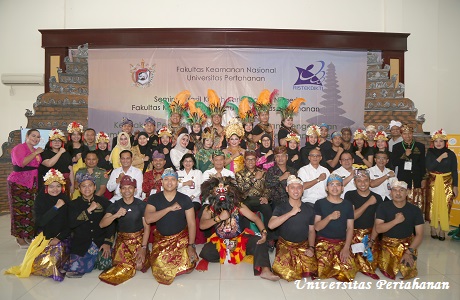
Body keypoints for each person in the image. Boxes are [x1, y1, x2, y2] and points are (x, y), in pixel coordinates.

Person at [197, 177, 280, 281]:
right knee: (206, 253)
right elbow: (202, 225)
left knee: (260, 242)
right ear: (212, 193)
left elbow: (255, 218)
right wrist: (218, 218)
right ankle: (233, 254)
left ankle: (266, 270)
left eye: (225, 191)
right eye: (218, 191)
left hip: (240, 239)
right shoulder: (209, 209)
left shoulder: (238, 206)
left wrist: (263, 232)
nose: (222, 194)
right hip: (220, 241)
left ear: (230, 192)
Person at [6, 169, 70, 281]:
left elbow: (70, 222)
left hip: (63, 236)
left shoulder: (65, 199)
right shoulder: (41, 200)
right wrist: (55, 208)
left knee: (53, 260)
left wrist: (59, 238)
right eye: (51, 186)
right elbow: (41, 222)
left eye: (58, 186)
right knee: (38, 262)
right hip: (45, 235)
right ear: (46, 188)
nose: (55, 189)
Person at [144, 168, 198, 285]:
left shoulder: (185, 199)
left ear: (177, 182)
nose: (169, 182)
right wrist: (168, 209)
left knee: (189, 266)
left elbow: (191, 224)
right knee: (160, 268)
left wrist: (191, 245)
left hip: (181, 239)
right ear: (162, 182)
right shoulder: (154, 198)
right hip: (162, 239)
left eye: (173, 179)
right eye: (166, 179)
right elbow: (148, 219)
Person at [99, 175, 150, 285]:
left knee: (139, 266)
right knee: (121, 267)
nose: (127, 190)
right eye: (124, 188)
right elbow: (102, 224)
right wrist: (115, 215)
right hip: (123, 241)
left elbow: (146, 227)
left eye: (130, 187)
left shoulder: (141, 205)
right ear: (120, 190)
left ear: (135, 190)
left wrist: (143, 248)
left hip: (138, 240)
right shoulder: (115, 205)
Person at [268, 175, 317, 281]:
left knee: (312, 269)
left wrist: (311, 248)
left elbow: (312, 230)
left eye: (299, 187)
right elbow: (271, 225)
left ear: (303, 189)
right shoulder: (280, 207)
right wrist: (290, 213)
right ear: (287, 189)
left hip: (302, 245)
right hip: (285, 245)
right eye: (292, 187)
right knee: (286, 273)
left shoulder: (309, 208)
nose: (296, 191)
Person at [65, 173, 114, 278]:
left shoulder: (104, 202)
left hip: (100, 241)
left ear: (95, 187)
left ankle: (96, 259)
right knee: (75, 269)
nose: (87, 188)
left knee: (107, 265)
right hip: (81, 242)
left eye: (90, 185)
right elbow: (71, 224)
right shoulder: (73, 204)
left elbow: (111, 224)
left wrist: (107, 242)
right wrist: (88, 210)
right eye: (84, 186)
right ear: (79, 188)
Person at [375, 180, 424, 280]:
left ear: (407, 193)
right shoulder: (383, 207)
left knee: (408, 272)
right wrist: (396, 221)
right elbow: (378, 229)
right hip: (388, 245)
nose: (398, 193)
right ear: (391, 193)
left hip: (407, 245)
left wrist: (409, 252)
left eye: (401, 190)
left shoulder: (415, 210)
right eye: (395, 190)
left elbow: (419, 234)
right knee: (388, 270)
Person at [314, 174, 357, 282]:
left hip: (341, 243)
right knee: (321, 272)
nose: (334, 187)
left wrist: (346, 247)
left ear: (342, 188)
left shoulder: (348, 205)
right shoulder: (320, 203)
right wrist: (329, 217)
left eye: (338, 185)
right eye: (331, 184)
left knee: (348, 274)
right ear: (326, 188)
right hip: (323, 243)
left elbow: (350, 227)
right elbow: (317, 227)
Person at [344, 169, 383, 279]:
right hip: (353, 234)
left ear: (370, 181)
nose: (363, 183)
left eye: (366, 180)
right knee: (350, 264)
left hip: (370, 234)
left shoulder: (377, 197)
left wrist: (371, 240)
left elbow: (377, 222)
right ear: (355, 182)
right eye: (359, 181)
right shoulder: (349, 195)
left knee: (370, 264)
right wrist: (368, 203)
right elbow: (353, 217)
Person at [7, 128, 43, 247]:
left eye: (38, 137)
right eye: (33, 136)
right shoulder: (19, 148)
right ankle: (19, 239)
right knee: (19, 211)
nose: (35, 138)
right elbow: (21, 163)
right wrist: (35, 153)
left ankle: (26, 236)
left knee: (29, 211)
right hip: (18, 183)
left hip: (31, 184)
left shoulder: (34, 149)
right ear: (27, 136)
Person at [235, 150, 274, 248]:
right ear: (244, 161)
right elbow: (241, 190)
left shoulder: (263, 173)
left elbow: (268, 188)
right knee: (242, 212)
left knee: (268, 209)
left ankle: (269, 238)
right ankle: (246, 237)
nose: (251, 162)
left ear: (256, 160)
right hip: (246, 200)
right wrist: (254, 179)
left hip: (259, 199)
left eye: (253, 159)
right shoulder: (239, 174)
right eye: (248, 160)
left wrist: (266, 197)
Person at [425, 129, 458, 240]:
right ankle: (433, 228)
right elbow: (429, 167)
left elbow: (454, 171)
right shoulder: (430, 153)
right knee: (432, 205)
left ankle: (442, 230)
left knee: (445, 206)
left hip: (447, 182)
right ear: (433, 143)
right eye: (436, 141)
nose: (438, 143)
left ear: (445, 142)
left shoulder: (451, 154)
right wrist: (440, 158)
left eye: (441, 141)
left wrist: (455, 186)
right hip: (433, 181)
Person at [391, 124, 426, 211]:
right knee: (403, 197)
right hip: (403, 177)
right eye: (405, 134)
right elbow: (394, 163)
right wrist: (405, 155)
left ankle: (416, 217)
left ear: (412, 134)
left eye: (409, 133)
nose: (407, 136)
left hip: (416, 176)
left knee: (417, 199)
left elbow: (423, 164)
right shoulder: (396, 147)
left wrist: (424, 178)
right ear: (402, 135)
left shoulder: (420, 146)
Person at [39, 129, 74, 197]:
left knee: (64, 202)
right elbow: (49, 164)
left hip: (65, 182)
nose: (57, 142)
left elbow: (71, 170)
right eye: (54, 140)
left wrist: (72, 184)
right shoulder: (44, 153)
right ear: (50, 142)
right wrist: (60, 152)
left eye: (59, 141)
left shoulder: (66, 154)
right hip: (50, 184)